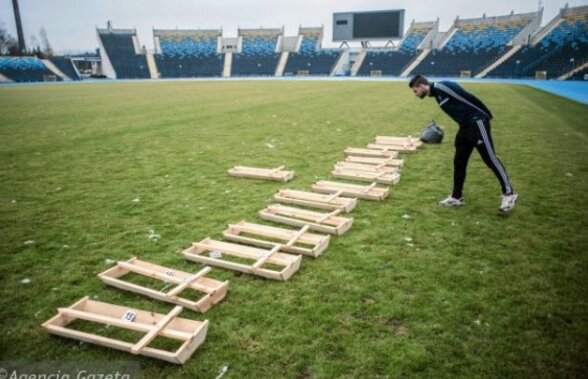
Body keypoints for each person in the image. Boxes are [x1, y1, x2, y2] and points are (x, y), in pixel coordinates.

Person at [408, 75, 518, 213]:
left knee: (489, 158)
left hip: (477, 122)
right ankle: (456, 197)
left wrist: (484, 116)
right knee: (459, 161)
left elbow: (468, 98)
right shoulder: (437, 95)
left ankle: (509, 193)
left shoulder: (443, 87)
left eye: (415, 91)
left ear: (422, 86)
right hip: (465, 127)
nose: (415, 94)